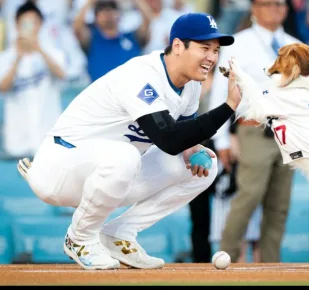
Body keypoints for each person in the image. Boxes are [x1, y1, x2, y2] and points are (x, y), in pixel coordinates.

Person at [16, 12, 239, 271]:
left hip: (110, 175)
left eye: (216, 50)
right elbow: (168, 138)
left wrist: (191, 148)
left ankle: (119, 235)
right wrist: (229, 105)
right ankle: (79, 239)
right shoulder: (142, 75)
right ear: (178, 46)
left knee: (206, 168)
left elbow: (182, 135)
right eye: (205, 48)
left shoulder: (191, 86)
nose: (212, 57)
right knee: (125, 156)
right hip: (60, 168)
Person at [209, 0, 300, 263]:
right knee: (247, 197)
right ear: (254, 8)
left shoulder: (295, 45)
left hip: (288, 132)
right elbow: (221, 91)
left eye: (280, 4)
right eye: (267, 3)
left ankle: (271, 267)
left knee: (279, 205)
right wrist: (222, 139)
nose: (275, 8)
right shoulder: (237, 43)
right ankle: (225, 258)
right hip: (253, 130)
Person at [0, 1, 66, 158]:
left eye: (34, 22)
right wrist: (18, 57)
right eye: (25, 22)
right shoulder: (6, 57)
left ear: (41, 24)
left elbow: (62, 74)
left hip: (47, 137)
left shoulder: (53, 52)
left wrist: (39, 49)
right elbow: (2, 87)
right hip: (16, 141)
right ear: (17, 24)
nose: (30, 27)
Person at [73, 0, 152, 82]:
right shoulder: (92, 40)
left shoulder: (132, 38)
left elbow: (148, 20)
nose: (108, 13)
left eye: (112, 9)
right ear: (96, 18)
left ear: (120, 15)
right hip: (102, 93)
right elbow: (77, 27)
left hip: (132, 90)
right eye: (102, 10)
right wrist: (90, 2)